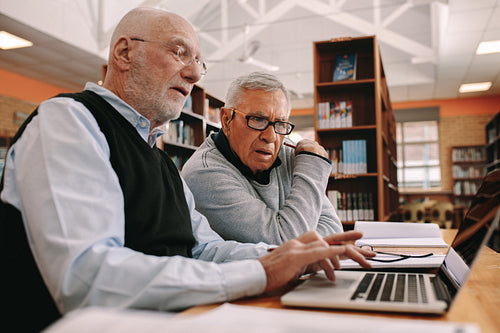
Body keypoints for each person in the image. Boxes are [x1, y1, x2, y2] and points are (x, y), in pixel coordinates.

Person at [0, 7, 373, 332]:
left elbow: (204, 250)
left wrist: (288, 256)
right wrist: (262, 271)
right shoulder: (69, 121)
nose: (195, 74)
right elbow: (87, 277)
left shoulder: (161, 159)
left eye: (199, 61)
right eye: (180, 53)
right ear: (124, 52)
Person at [182, 72, 343, 244]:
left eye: (280, 123)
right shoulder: (204, 173)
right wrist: (313, 166)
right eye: (258, 120)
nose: (271, 137)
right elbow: (287, 243)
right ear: (226, 119)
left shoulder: (288, 152)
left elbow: (333, 229)